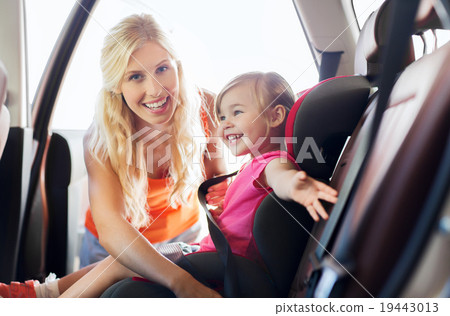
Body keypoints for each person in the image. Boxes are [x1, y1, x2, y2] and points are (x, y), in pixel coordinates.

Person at [0, 13, 227, 298]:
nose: (155, 89)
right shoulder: (100, 138)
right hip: (114, 248)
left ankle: (41, 294)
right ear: (117, 85)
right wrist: (182, 282)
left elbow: (217, 184)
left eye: (162, 69)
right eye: (136, 76)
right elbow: (113, 229)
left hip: (184, 235)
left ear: (177, 66)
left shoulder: (206, 106)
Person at [57, 71, 338, 298]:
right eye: (222, 117)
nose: (224, 125)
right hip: (211, 255)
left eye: (237, 112)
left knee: (122, 261)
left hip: (219, 263)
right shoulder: (251, 165)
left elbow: (281, 175)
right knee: (123, 263)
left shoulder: (271, 160)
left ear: (275, 116)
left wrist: (296, 186)